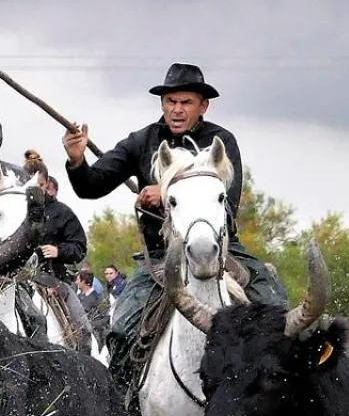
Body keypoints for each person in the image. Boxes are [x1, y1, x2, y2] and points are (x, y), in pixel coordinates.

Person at [60, 63, 286, 395]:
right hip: (159, 259)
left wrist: (165, 194)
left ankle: (281, 400)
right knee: (122, 330)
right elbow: (91, 186)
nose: (177, 110)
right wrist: (77, 161)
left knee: (275, 308)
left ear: (203, 106)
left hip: (222, 251)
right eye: (171, 102)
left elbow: (228, 205)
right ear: (163, 104)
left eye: (186, 102)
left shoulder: (221, 142)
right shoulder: (141, 142)